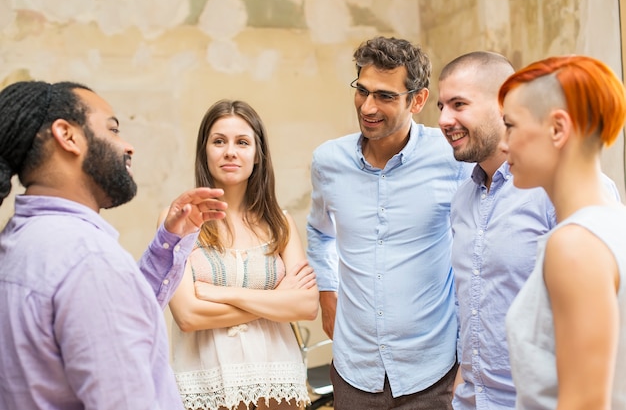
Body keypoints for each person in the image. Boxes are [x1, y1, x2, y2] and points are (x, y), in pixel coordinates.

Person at [0, 81, 228, 410]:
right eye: (113, 129)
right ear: (67, 136)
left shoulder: (20, 240)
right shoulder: (88, 260)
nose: (128, 146)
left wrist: (169, 241)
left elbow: (111, 320)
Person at [306, 36, 471, 409]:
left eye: (385, 96)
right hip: (354, 369)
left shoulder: (453, 158)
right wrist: (327, 293)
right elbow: (319, 230)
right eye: (362, 91)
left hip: (433, 371)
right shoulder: (327, 162)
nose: (367, 107)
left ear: (418, 100)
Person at [166, 99, 319, 410]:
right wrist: (276, 301)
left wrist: (217, 293)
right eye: (219, 141)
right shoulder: (179, 220)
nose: (230, 152)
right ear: (204, 151)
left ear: (258, 155)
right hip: (206, 383)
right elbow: (188, 316)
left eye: (242, 142)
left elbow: (305, 305)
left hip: (277, 382)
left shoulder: (281, 222)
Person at [500, 55, 626, 409]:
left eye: (510, 126)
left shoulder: (574, 245)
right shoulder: (616, 222)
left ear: (558, 128)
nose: (503, 143)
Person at [437, 51, 557, 409]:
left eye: (459, 104)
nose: (444, 120)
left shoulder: (554, 191)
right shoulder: (461, 199)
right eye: (441, 106)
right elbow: (470, 304)